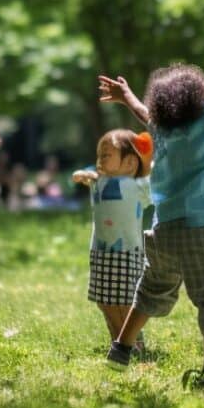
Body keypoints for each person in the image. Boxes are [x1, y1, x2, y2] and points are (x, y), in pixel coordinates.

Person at [98, 9, 204, 395]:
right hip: (198, 234)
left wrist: (126, 98)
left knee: (152, 289)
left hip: (163, 231)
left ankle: (121, 347)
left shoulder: (162, 132)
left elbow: (144, 116)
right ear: (199, 100)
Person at [71, 130, 153, 350]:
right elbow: (88, 174)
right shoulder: (98, 181)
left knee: (125, 302)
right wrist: (83, 174)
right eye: (99, 155)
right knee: (104, 301)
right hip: (100, 252)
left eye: (107, 154)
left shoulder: (137, 186)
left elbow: (153, 178)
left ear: (129, 163)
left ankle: (130, 343)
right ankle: (119, 340)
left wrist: (147, 158)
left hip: (127, 251)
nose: (100, 159)